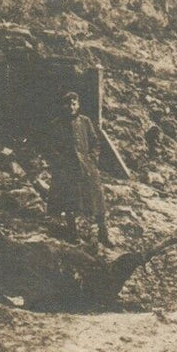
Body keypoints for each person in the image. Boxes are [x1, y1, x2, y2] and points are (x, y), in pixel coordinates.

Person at [45, 91, 130, 246]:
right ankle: (73, 233)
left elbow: (95, 142)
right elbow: (52, 149)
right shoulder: (56, 124)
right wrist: (63, 164)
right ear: (63, 106)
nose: (71, 107)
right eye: (68, 104)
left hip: (87, 168)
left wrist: (92, 159)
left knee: (98, 202)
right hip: (68, 170)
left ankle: (103, 234)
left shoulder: (85, 122)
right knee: (70, 203)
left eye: (74, 104)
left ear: (78, 105)